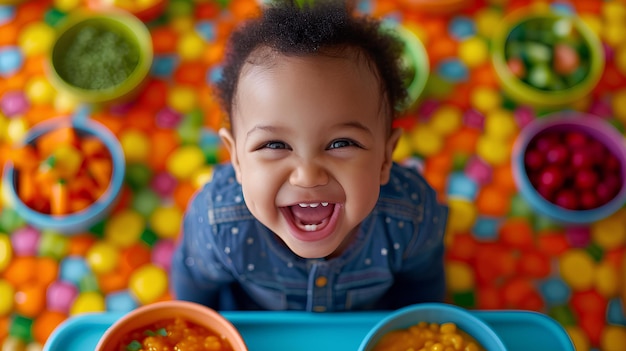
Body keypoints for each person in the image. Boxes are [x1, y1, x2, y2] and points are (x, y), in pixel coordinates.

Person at [170, 0, 449, 312]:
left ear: (386, 157)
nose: (307, 174)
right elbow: (193, 291)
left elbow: (422, 290)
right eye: (275, 145)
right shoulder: (218, 223)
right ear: (236, 159)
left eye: (341, 143)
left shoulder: (411, 217)